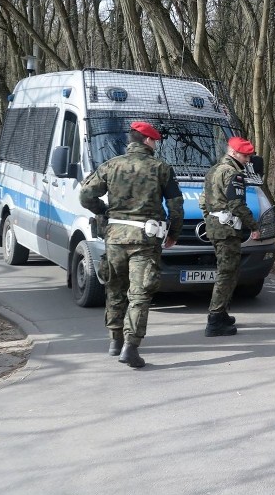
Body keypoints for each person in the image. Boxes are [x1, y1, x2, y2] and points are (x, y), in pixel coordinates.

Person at [79, 121, 184, 368]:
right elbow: (176, 206)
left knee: (114, 289)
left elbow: (85, 195)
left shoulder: (110, 165)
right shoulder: (161, 168)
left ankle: (114, 341)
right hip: (145, 241)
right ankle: (131, 346)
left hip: (115, 237)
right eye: (155, 141)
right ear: (147, 141)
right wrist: (173, 233)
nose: (155, 145)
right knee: (139, 293)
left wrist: (103, 209)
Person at [199, 136, 261, 336]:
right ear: (233, 153)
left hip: (216, 228)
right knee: (227, 274)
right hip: (227, 231)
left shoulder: (213, 171)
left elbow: (203, 202)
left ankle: (222, 312)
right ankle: (215, 319)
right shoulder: (233, 174)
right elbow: (237, 204)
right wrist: (253, 225)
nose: (248, 160)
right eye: (245, 155)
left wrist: (212, 220)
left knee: (228, 272)